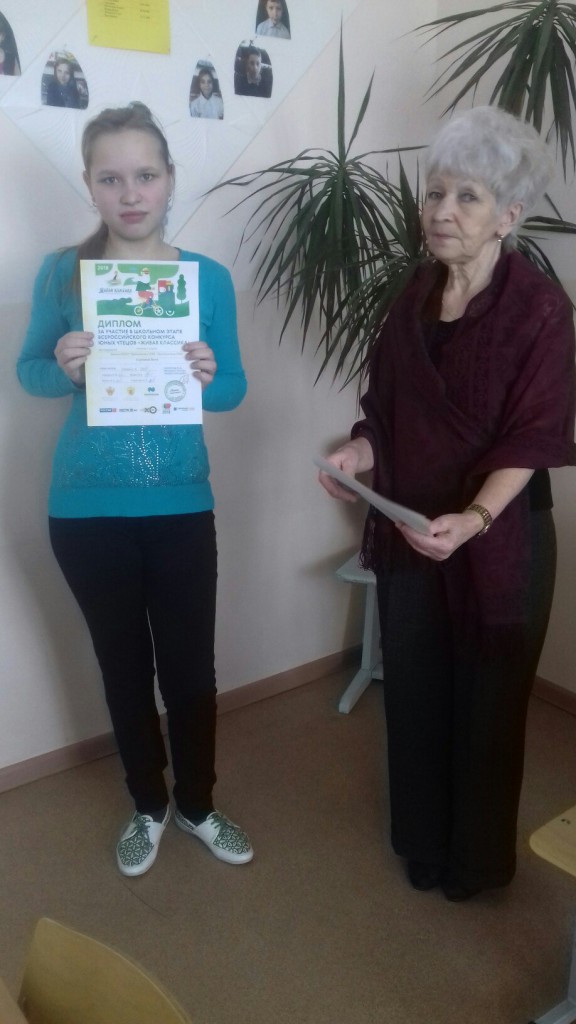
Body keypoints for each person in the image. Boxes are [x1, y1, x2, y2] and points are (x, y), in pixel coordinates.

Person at [319, 106, 575, 902]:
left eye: (467, 196)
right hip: (412, 537)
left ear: (508, 216)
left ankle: (476, 866)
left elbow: (533, 437)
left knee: (488, 709)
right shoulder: (414, 296)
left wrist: (476, 519)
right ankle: (422, 844)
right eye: (435, 192)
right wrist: (357, 455)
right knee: (418, 694)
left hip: (499, 539)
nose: (441, 211)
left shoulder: (540, 310)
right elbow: (383, 412)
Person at [17, 101, 253, 877]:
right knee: (123, 668)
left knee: (190, 672)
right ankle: (148, 804)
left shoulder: (205, 279)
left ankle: (198, 804)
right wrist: (63, 364)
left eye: (145, 175)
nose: (130, 193)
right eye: (111, 178)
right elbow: (28, 372)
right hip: (85, 512)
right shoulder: (63, 272)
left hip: (180, 506)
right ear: (89, 184)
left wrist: (209, 374)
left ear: (169, 179)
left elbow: (232, 390)